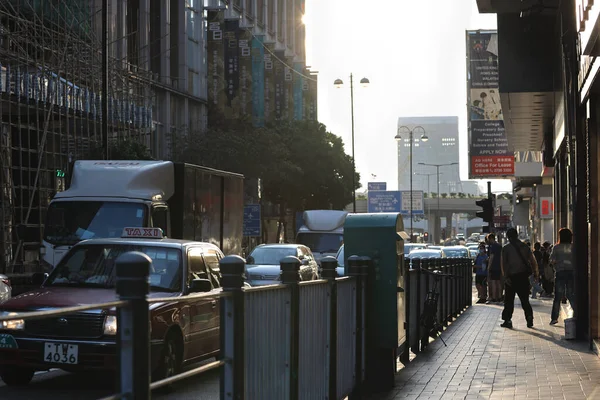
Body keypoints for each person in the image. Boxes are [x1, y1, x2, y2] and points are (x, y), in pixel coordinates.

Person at [500, 228, 540, 329]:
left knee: (509, 300)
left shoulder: (506, 248)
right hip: (523, 277)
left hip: (511, 278)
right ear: (517, 235)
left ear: (508, 237)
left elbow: (504, 264)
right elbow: (533, 261)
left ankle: (507, 320)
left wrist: (505, 277)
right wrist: (536, 273)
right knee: (525, 300)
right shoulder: (525, 247)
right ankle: (529, 317)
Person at [549, 228, 576, 325]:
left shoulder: (556, 247)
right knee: (570, 294)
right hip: (571, 272)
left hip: (560, 272)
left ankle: (554, 318)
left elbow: (551, 260)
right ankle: (577, 313)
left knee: (558, 296)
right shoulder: (574, 247)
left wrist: (557, 263)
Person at [486, 233, 503, 303]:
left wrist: (489, 267)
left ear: (490, 239)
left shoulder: (492, 246)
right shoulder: (499, 245)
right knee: (498, 282)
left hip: (493, 267)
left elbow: (491, 257)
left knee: (493, 282)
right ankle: (499, 297)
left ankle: (494, 297)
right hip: (499, 266)